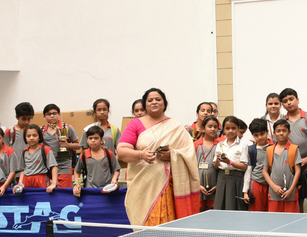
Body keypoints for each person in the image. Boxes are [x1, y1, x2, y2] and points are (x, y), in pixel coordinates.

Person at [116, 88, 199, 226]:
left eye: (158, 99)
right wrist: (141, 155)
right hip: (143, 185)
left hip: (169, 186)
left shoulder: (175, 127)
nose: (154, 102)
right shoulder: (135, 124)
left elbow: (188, 153)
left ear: (164, 103)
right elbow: (122, 151)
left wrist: (172, 155)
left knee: (168, 225)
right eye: (150, 100)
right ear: (145, 104)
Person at [279, 88, 307, 213]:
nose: (289, 103)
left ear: (297, 100)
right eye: (285, 101)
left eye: (291, 99)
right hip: (292, 167)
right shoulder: (282, 122)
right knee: (297, 200)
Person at [263, 119, 302, 212]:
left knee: (291, 220)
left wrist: (291, 190)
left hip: (290, 193)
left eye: (284, 131)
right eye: (278, 131)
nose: (281, 133)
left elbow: (298, 171)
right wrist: (273, 186)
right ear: (274, 133)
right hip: (274, 193)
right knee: (274, 220)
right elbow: (265, 171)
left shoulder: (294, 149)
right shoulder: (269, 150)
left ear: (289, 132)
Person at [213, 116, 249, 210]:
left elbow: (244, 166)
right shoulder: (220, 145)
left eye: (233, 128)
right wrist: (218, 159)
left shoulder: (243, 145)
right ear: (223, 129)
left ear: (238, 129)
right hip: (222, 178)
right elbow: (216, 166)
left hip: (236, 178)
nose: (230, 131)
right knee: (220, 206)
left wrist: (230, 162)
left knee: (234, 207)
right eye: (227, 128)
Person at [73, 125, 120, 197]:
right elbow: (77, 171)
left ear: (102, 140)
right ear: (87, 140)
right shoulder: (84, 155)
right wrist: (77, 184)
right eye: (90, 138)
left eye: (96, 138)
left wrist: (114, 179)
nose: (93, 140)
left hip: (108, 190)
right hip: (90, 191)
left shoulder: (108, 154)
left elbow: (116, 169)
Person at [41, 104, 80, 188]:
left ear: (59, 114)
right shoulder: (41, 130)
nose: (52, 116)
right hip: (47, 166)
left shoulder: (67, 128)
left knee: (64, 191)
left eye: (54, 113)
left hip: (64, 164)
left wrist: (67, 145)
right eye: (48, 114)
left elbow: (79, 145)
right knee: (49, 191)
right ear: (44, 116)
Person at [18, 125, 58, 193]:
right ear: (25, 138)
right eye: (28, 136)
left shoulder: (45, 149)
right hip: (26, 180)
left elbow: (54, 166)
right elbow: (23, 170)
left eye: (34, 135)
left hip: (41, 179)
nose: (31, 138)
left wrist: (53, 183)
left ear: (39, 137)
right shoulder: (24, 152)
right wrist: (20, 184)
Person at [242, 118, 270, 212]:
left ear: (267, 132)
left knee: (272, 212)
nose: (260, 137)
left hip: (272, 184)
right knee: (257, 212)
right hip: (257, 184)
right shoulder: (251, 150)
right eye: (256, 135)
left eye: (262, 134)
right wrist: (245, 191)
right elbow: (248, 171)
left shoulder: (274, 148)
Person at [194, 116, 221, 211]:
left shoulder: (220, 145)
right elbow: (191, 166)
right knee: (199, 209)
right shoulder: (196, 144)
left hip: (215, 184)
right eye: (210, 126)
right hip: (199, 184)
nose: (213, 129)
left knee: (213, 209)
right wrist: (198, 185)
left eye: (215, 127)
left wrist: (218, 184)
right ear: (203, 128)